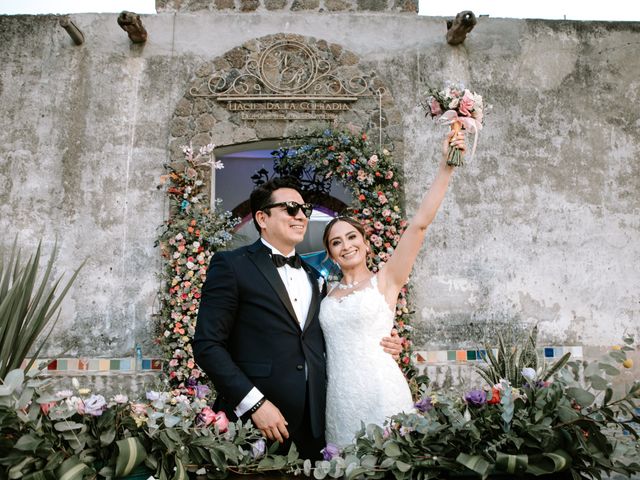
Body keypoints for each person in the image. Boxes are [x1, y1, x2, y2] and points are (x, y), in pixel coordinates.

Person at [193, 176, 403, 460]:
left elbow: (335, 334)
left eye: (304, 208)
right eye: (291, 208)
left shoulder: (315, 276)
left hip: (316, 426)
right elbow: (207, 345)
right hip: (259, 425)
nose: (301, 215)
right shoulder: (231, 265)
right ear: (262, 218)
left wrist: (384, 341)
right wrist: (255, 404)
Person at [319, 130, 466, 446]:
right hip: (339, 401)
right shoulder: (323, 293)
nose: (346, 245)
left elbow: (419, 226)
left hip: (381, 389)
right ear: (330, 254)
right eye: (336, 242)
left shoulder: (386, 280)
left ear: (366, 244)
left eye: (352, 237)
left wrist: (446, 166)